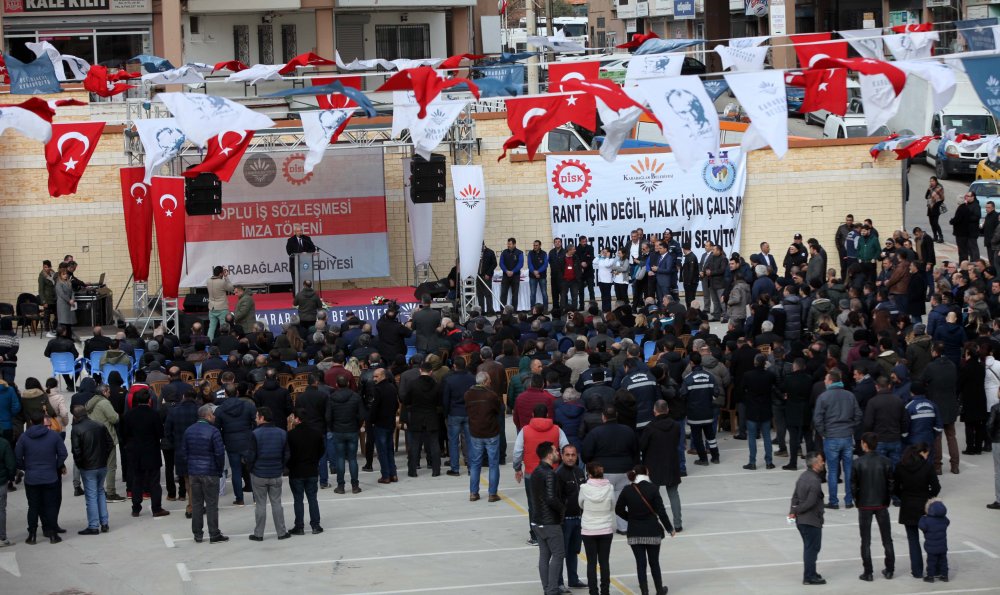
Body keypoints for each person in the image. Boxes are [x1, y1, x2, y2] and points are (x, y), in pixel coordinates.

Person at [615, 464, 674, 595]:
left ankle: (644, 592)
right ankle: (659, 590)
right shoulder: (653, 488)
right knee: (654, 562)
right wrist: (669, 528)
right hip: (652, 530)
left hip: (635, 532)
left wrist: (630, 518)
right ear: (646, 473)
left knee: (640, 564)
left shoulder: (627, 490)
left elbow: (618, 509)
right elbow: (661, 511)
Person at [515, 403, 570, 544]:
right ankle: (557, 532)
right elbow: (565, 447)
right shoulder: (557, 429)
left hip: (531, 473)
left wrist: (517, 468)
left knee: (533, 504)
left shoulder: (525, 430)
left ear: (533, 415)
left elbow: (517, 451)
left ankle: (535, 536)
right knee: (555, 500)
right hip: (554, 472)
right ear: (547, 415)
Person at [581, 407, 638, 534]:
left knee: (600, 500)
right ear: (616, 415)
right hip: (624, 470)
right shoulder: (628, 431)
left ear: (603, 417)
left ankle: (600, 527)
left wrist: (591, 465)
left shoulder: (595, 433)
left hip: (602, 471)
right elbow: (635, 451)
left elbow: (586, 454)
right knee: (622, 500)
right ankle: (624, 527)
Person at [15, 409, 67, 544]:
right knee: (50, 505)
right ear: (43, 422)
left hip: (32, 478)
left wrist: (26, 467)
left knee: (33, 506)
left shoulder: (24, 437)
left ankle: (32, 535)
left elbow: (18, 457)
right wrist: (55, 466)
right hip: (50, 476)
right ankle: (53, 534)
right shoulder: (53, 436)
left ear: (31, 422)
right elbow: (63, 453)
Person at [813, 369, 862, 509]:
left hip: (831, 437)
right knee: (848, 470)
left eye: (826, 379)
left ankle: (833, 501)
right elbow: (858, 415)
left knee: (833, 471)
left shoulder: (824, 397)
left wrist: (823, 433)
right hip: (846, 437)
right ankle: (848, 500)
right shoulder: (850, 395)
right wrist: (850, 428)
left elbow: (817, 418)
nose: (824, 381)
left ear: (830, 381)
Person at [181, 404, 228, 544]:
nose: (214, 417)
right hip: (210, 471)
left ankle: (197, 534)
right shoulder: (214, 431)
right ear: (207, 416)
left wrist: (190, 467)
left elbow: (184, 452)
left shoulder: (189, 430)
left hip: (194, 472)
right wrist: (219, 470)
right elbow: (219, 453)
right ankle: (214, 534)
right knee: (212, 504)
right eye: (212, 414)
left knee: (196, 504)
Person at [852, 432, 895, 581]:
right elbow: (891, 483)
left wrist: (858, 501)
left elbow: (853, 486)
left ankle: (868, 572)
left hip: (865, 505)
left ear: (864, 444)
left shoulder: (857, 463)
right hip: (881, 503)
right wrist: (887, 499)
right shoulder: (886, 461)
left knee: (865, 540)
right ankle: (890, 569)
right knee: (887, 538)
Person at [893, 443, 940, 579]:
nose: (927, 456)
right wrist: (928, 497)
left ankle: (917, 571)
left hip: (907, 506)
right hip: (924, 506)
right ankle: (935, 568)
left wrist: (903, 497)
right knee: (931, 539)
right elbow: (936, 487)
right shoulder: (927, 466)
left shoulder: (901, 466)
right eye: (926, 454)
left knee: (913, 540)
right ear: (921, 452)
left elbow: (895, 488)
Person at [121, 390, 169, 518]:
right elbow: (160, 433)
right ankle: (156, 508)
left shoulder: (129, 415)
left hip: (135, 452)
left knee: (137, 480)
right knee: (154, 481)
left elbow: (125, 434)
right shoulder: (154, 414)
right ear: (149, 400)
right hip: (151, 451)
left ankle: (136, 508)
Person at [246, 406, 290, 541]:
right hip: (276, 473)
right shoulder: (282, 433)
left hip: (259, 473)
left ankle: (258, 534)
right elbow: (286, 454)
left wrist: (250, 468)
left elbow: (251, 455)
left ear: (262, 418)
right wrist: (280, 467)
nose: (255, 419)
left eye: (257, 416)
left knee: (260, 504)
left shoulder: (255, 434)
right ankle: (281, 532)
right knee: (277, 503)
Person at [639, 400, 683, 532]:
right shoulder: (676, 426)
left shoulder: (650, 427)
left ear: (654, 411)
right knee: (673, 494)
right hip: (671, 463)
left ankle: (653, 522)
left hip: (654, 465)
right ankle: (678, 524)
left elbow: (642, 446)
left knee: (652, 495)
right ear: (667, 410)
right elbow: (676, 442)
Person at [70, 404, 113, 535]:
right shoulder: (100, 425)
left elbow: (76, 450)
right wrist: (104, 457)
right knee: (100, 492)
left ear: (75, 416)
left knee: (91, 496)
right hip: (101, 464)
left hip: (88, 467)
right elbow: (110, 443)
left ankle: (93, 525)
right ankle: (104, 522)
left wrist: (80, 464)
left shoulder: (76, 429)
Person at [213, 386, 257, 505]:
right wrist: (251, 434)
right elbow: (255, 421)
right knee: (252, 470)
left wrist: (224, 439)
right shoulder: (248, 405)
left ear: (225, 394)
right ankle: (256, 497)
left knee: (236, 471)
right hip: (247, 440)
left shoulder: (220, 410)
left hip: (231, 442)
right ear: (237, 392)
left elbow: (216, 428)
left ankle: (239, 498)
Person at [531, 441, 565, 595]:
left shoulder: (535, 472)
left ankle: (547, 588)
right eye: (555, 451)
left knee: (544, 556)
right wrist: (562, 508)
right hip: (550, 522)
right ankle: (552, 589)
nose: (558, 453)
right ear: (550, 455)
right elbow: (551, 498)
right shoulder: (550, 474)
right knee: (558, 554)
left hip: (537, 520)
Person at [790, 452, 827, 585]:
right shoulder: (815, 481)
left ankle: (811, 571)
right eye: (821, 461)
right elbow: (810, 503)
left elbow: (795, 496)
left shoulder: (803, 477)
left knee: (810, 547)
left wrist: (793, 511)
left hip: (801, 521)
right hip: (811, 521)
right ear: (815, 464)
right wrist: (796, 510)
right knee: (812, 548)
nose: (823, 463)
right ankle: (809, 577)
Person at [579, 461, 614, 595]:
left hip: (589, 529)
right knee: (604, 562)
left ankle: (593, 591)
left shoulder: (584, 488)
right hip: (605, 528)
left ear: (589, 473)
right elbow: (612, 505)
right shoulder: (609, 488)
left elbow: (580, 504)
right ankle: (605, 591)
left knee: (591, 562)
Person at [325, 375, 365, 494]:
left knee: (340, 458)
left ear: (336, 384)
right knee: (352, 458)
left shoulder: (331, 398)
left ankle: (341, 486)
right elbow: (362, 415)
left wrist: (332, 428)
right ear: (348, 383)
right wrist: (357, 426)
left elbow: (328, 417)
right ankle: (355, 486)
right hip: (352, 430)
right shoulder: (356, 397)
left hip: (338, 430)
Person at [680, 351, 721, 465]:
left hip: (694, 414)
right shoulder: (710, 376)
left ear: (691, 363)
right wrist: (709, 399)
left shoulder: (688, 379)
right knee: (711, 437)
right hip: (708, 411)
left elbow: (682, 395)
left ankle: (703, 459)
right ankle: (715, 457)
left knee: (697, 438)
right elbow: (716, 392)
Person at [555, 444, 587, 590]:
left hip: (578, 519)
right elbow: (556, 498)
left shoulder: (580, 471)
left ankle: (573, 580)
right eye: (567, 455)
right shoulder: (558, 474)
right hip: (565, 521)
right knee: (561, 553)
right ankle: (559, 582)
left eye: (573, 455)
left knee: (574, 551)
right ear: (562, 456)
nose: (570, 458)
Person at [86, 383, 125, 503]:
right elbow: (114, 418)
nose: (110, 394)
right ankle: (111, 492)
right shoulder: (104, 403)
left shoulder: (90, 402)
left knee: (98, 466)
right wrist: (118, 415)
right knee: (111, 466)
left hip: (94, 438)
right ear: (104, 392)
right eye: (108, 392)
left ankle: (98, 490)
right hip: (107, 438)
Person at [742, 354, 777, 470]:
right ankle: (769, 462)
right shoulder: (770, 375)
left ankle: (752, 462)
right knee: (767, 436)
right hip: (765, 408)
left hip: (752, 408)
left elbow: (742, 389)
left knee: (752, 436)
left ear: (755, 362)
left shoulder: (747, 375)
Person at [369, 367, 399, 483]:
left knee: (382, 451)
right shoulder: (392, 387)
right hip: (390, 422)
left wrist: (371, 420)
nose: (374, 378)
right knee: (389, 449)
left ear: (383, 376)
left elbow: (374, 407)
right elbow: (396, 405)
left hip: (380, 423)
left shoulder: (377, 389)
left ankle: (385, 475)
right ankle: (393, 474)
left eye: (376, 376)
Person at [918, 498, 950, 582]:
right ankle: (944, 575)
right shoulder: (944, 519)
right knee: (943, 561)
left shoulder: (927, 520)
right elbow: (948, 522)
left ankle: (930, 576)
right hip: (942, 546)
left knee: (931, 562)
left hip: (931, 547)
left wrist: (923, 517)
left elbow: (922, 526)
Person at [206, 266, 233, 341]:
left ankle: (209, 342)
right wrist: (226, 277)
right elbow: (231, 288)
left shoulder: (208, 281)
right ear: (221, 273)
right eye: (223, 273)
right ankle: (223, 342)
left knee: (211, 328)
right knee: (224, 328)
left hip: (212, 307)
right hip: (222, 308)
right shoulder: (222, 282)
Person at [499, 238, 524, 311]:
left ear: (514, 244)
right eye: (508, 244)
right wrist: (506, 271)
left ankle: (514, 310)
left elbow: (520, 264)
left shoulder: (519, 253)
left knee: (514, 294)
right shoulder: (504, 252)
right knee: (503, 294)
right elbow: (501, 263)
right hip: (505, 276)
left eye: (510, 244)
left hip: (515, 276)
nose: (508, 245)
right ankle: (502, 310)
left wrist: (513, 271)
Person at [528, 239, 550, 310]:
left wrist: (538, 271)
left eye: (536, 245)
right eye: (534, 245)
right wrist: (534, 272)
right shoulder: (530, 253)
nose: (535, 246)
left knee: (544, 293)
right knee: (532, 294)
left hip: (542, 276)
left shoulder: (544, 253)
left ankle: (545, 309)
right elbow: (529, 264)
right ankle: (532, 309)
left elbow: (545, 265)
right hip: (532, 276)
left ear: (540, 246)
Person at [54, 266, 76, 336]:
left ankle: (69, 336)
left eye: (66, 274)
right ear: (60, 275)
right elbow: (62, 294)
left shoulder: (68, 282)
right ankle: (62, 336)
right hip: (63, 304)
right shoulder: (58, 283)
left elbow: (72, 292)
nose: (65, 275)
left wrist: (72, 299)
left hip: (69, 303)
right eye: (63, 274)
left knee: (69, 322)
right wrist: (69, 300)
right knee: (63, 321)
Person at [0, 432, 13, 546]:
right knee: (1, 509)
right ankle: (2, 537)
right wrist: (11, 477)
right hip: (1, 481)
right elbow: (10, 464)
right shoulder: (4, 443)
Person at [478, 242, 499, 315]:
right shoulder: (476, 252)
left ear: (483, 245)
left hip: (486, 276)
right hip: (478, 276)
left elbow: (494, 264)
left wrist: (488, 273)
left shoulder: (490, 252)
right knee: (480, 295)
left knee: (488, 294)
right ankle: (482, 311)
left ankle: (490, 311)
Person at [38, 260, 57, 335]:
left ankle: (55, 328)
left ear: (50, 267)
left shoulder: (54, 274)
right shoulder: (42, 276)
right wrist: (43, 301)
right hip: (47, 299)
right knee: (47, 315)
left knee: (57, 314)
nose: (46, 268)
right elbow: (41, 290)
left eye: (47, 267)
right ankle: (47, 331)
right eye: (44, 267)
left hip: (54, 298)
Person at [577, 235, 596, 304]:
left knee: (591, 289)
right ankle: (581, 306)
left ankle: (593, 305)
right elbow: (576, 260)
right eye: (583, 242)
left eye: (585, 241)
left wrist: (586, 264)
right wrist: (581, 264)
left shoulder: (590, 248)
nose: (584, 243)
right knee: (581, 290)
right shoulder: (576, 249)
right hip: (580, 273)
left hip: (589, 271)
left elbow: (592, 258)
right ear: (580, 242)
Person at [926, 177, 945, 243]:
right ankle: (935, 236)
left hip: (936, 207)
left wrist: (934, 204)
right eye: (930, 181)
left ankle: (941, 237)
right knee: (931, 223)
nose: (931, 182)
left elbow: (942, 198)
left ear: (936, 181)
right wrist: (928, 190)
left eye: (933, 181)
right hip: (930, 207)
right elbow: (926, 197)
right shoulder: (930, 188)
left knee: (935, 223)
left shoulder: (940, 188)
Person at [990, 401, 1000, 510]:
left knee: (998, 472)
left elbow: (990, 425)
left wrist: (992, 437)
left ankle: (999, 500)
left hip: (998, 441)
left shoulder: (996, 407)